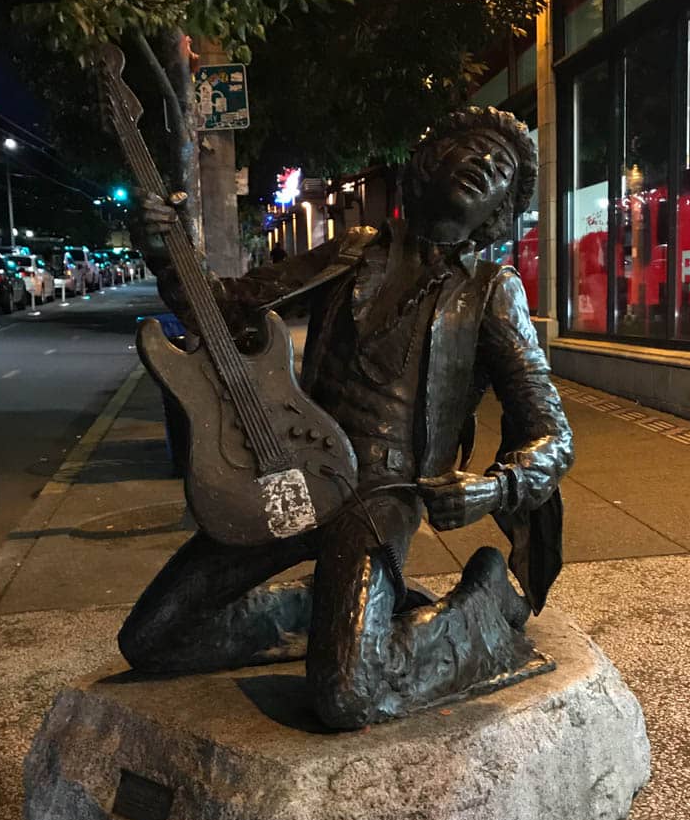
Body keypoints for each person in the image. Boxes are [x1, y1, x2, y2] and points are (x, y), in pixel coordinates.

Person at [123, 106, 574, 729]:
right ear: (426, 163)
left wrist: (493, 487)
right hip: (296, 475)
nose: (483, 167)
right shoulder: (350, 254)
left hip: (380, 497)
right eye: (471, 150)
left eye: (499, 170)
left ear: (499, 209)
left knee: (350, 696)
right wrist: (164, 252)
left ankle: (480, 609)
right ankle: (331, 610)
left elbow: (553, 434)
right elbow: (221, 309)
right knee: (154, 639)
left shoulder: (492, 291)